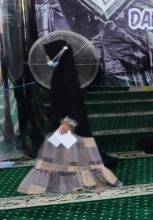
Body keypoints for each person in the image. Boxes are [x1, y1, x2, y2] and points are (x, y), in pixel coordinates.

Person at [18, 40, 120, 194]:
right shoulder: (61, 71)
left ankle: (79, 182)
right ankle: (71, 182)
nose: (47, 58)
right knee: (66, 155)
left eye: (49, 55)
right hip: (62, 122)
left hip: (68, 124)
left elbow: (74, 101)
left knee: (75, 157)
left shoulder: (67, 75)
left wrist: (68, 122)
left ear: (58, 54)